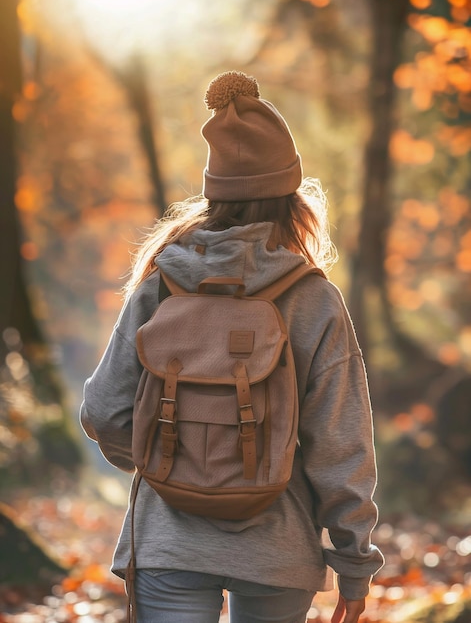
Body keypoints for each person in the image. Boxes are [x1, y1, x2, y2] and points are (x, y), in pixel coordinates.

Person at [80, 71, 384, 623]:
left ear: (212, 192)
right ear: (294, 200)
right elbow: (340, 446)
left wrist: (169, 461)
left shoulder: (162, 283)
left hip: (167, 541)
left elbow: (103, 410)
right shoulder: (314, 299)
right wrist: (354, 561)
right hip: (278, 549)